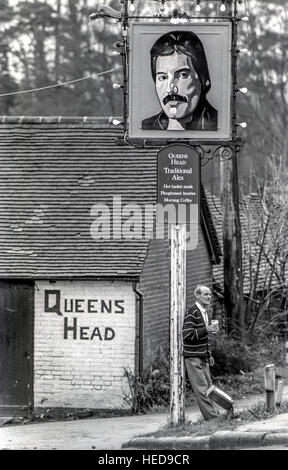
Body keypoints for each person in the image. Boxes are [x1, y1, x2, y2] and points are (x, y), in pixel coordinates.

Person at [142, 30, 218, 131]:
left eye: (183, 75)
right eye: (163, 77)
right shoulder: (147, 127)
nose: (170, 89)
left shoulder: (219, 125)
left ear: (203, 79)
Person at [182, 284, 219, 421]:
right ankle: (213, 419)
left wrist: (209, 354)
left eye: (210, 294)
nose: (209, 297)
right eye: (205, 294)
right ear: (197, 296)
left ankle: (215, 415)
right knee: (202, 390)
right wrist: (207, 330)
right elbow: (187, 334)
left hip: (203, 356)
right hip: (193, 357)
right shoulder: (193, 312)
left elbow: (205, 337)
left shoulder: (204, 312)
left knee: (210, 389)